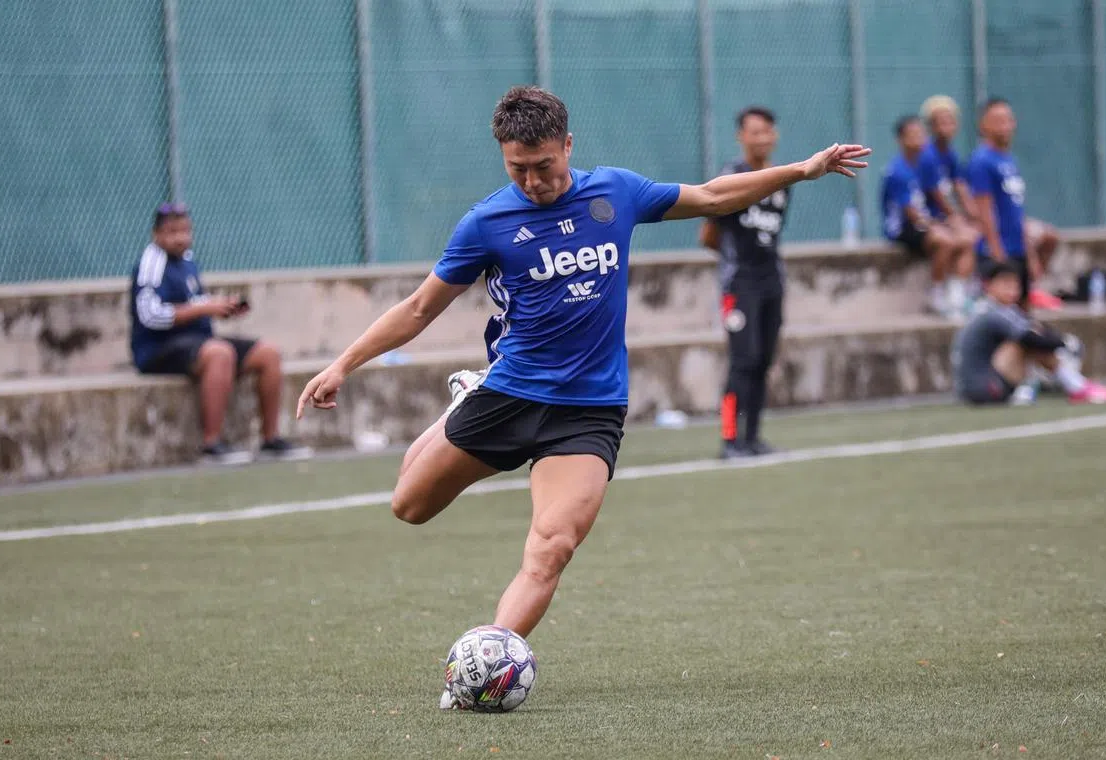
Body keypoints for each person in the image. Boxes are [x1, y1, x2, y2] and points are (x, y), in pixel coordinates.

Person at [295, 86, 869, 707]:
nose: (535, 180)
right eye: (519, 168)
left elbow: (709, 196)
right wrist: (342, 364)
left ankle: (484, 671)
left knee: (553, 545)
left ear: (568, 145)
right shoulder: (487, 223)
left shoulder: (614, 193)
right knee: (410, 506)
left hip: (589, 411)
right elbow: (417, 308)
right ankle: (465, 399)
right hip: (509, 394)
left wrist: (802, 170)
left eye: (545, 164)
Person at [130, 203, 312, 465]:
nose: (180, 238)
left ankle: (270, 439)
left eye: (185, 231)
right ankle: (211, 445)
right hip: (159, 348)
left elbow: (194, 301)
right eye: (172, 232)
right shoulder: (151, 263)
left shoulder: (188, 261)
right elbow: (150, 314)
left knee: (269, 354)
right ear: (156, 234)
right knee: (220, 354)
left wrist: (222, 306)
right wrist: (204, 308)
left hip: (196, 342)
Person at [699, 106, 788, 458]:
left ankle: (753, 437)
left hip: (772, 281)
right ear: (741, 136)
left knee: (764, 360)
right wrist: (736, 260)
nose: (762, 138)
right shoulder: (732, 177)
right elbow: (707, 234)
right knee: (743, 360)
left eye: (767, 131)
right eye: (754, 132)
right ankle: (730, 439)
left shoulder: (782, 181)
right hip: (740, 284)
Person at [951, 260, 1106, 406]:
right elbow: (1030, 337)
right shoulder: (993, 311)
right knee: (1025, 343)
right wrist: (1066, 344)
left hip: (972, 389)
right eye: (1005, 283)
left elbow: (1036, 328)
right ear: (989, 285)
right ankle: (1077, 387)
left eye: (1015, 284)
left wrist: (1058, 340)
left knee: (1032, 337)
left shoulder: (996, 309)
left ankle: (1058, 384)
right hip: (983, 388)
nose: (1012, 289)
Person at [966, 98, 1060, 310]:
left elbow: (1017, 212)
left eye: (1009, 120)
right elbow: (984, 210)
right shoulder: (982, 161)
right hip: (999, 252)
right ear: (983, 125)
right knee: (1004, 319)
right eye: (998, 120)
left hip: (1018, 248)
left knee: (1024, 317)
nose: (1006, 126)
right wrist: (996, 251)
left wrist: (1030, 255)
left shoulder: (1009, 160)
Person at [881, 115, 971, 319]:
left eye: (921, 135)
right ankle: (937, 296)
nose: (918, 140)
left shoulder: (924, 165)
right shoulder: (897, 170)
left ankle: (959, 295)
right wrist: (937, 226)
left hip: (924, 222)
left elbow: (935, 197)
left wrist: (952, 221)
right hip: (902, 227)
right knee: (945, 241)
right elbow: (911, 213)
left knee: (967, 238)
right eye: (912, 136)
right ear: (901, 140)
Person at [917, 95, 978, 311]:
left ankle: (959, 292)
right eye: (941, 121)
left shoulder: (950, 154)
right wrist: (956, 217)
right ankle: (938, 292)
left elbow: (959, 185)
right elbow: (937, 195)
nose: (947, 126)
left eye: (950, 121)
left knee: (971, 236)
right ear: (931, 126)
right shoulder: (928, 155)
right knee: (953, 240)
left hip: (943, 217)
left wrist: (972, 211)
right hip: (928, 219)